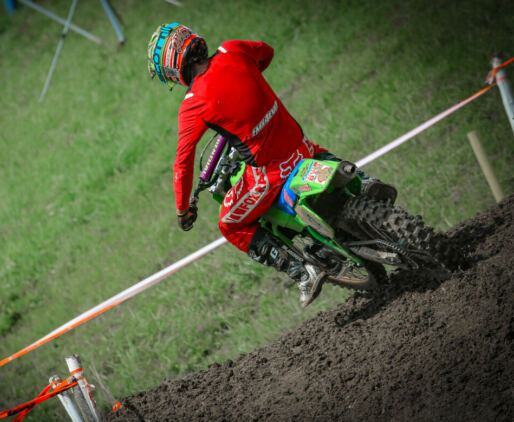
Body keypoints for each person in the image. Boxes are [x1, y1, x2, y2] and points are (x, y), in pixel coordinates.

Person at [147, 23, 396, 307]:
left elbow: (182, 164)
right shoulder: (232, 50)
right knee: (316, 152)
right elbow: (266, 53)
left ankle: (301, 271)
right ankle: (363, 181)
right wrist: (250, 82)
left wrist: (183, 210)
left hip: (270, 174)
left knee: (229, 223)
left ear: (172, 69)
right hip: (299, 146)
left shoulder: (193, 104)